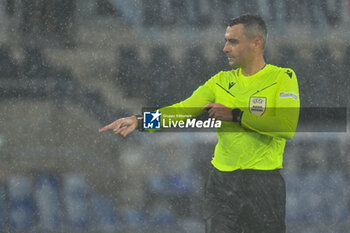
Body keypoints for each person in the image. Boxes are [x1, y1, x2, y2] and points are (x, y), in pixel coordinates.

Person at [99, 14, 300, 233]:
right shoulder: (220, 82)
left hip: (263, 185)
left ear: (256, 43)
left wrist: (236, 116)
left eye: (233, 41)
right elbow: (182, 111)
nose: (225, 48)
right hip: (223, 184)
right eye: (226, 41)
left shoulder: (282, 78)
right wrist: (140, 121)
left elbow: (286, 127)